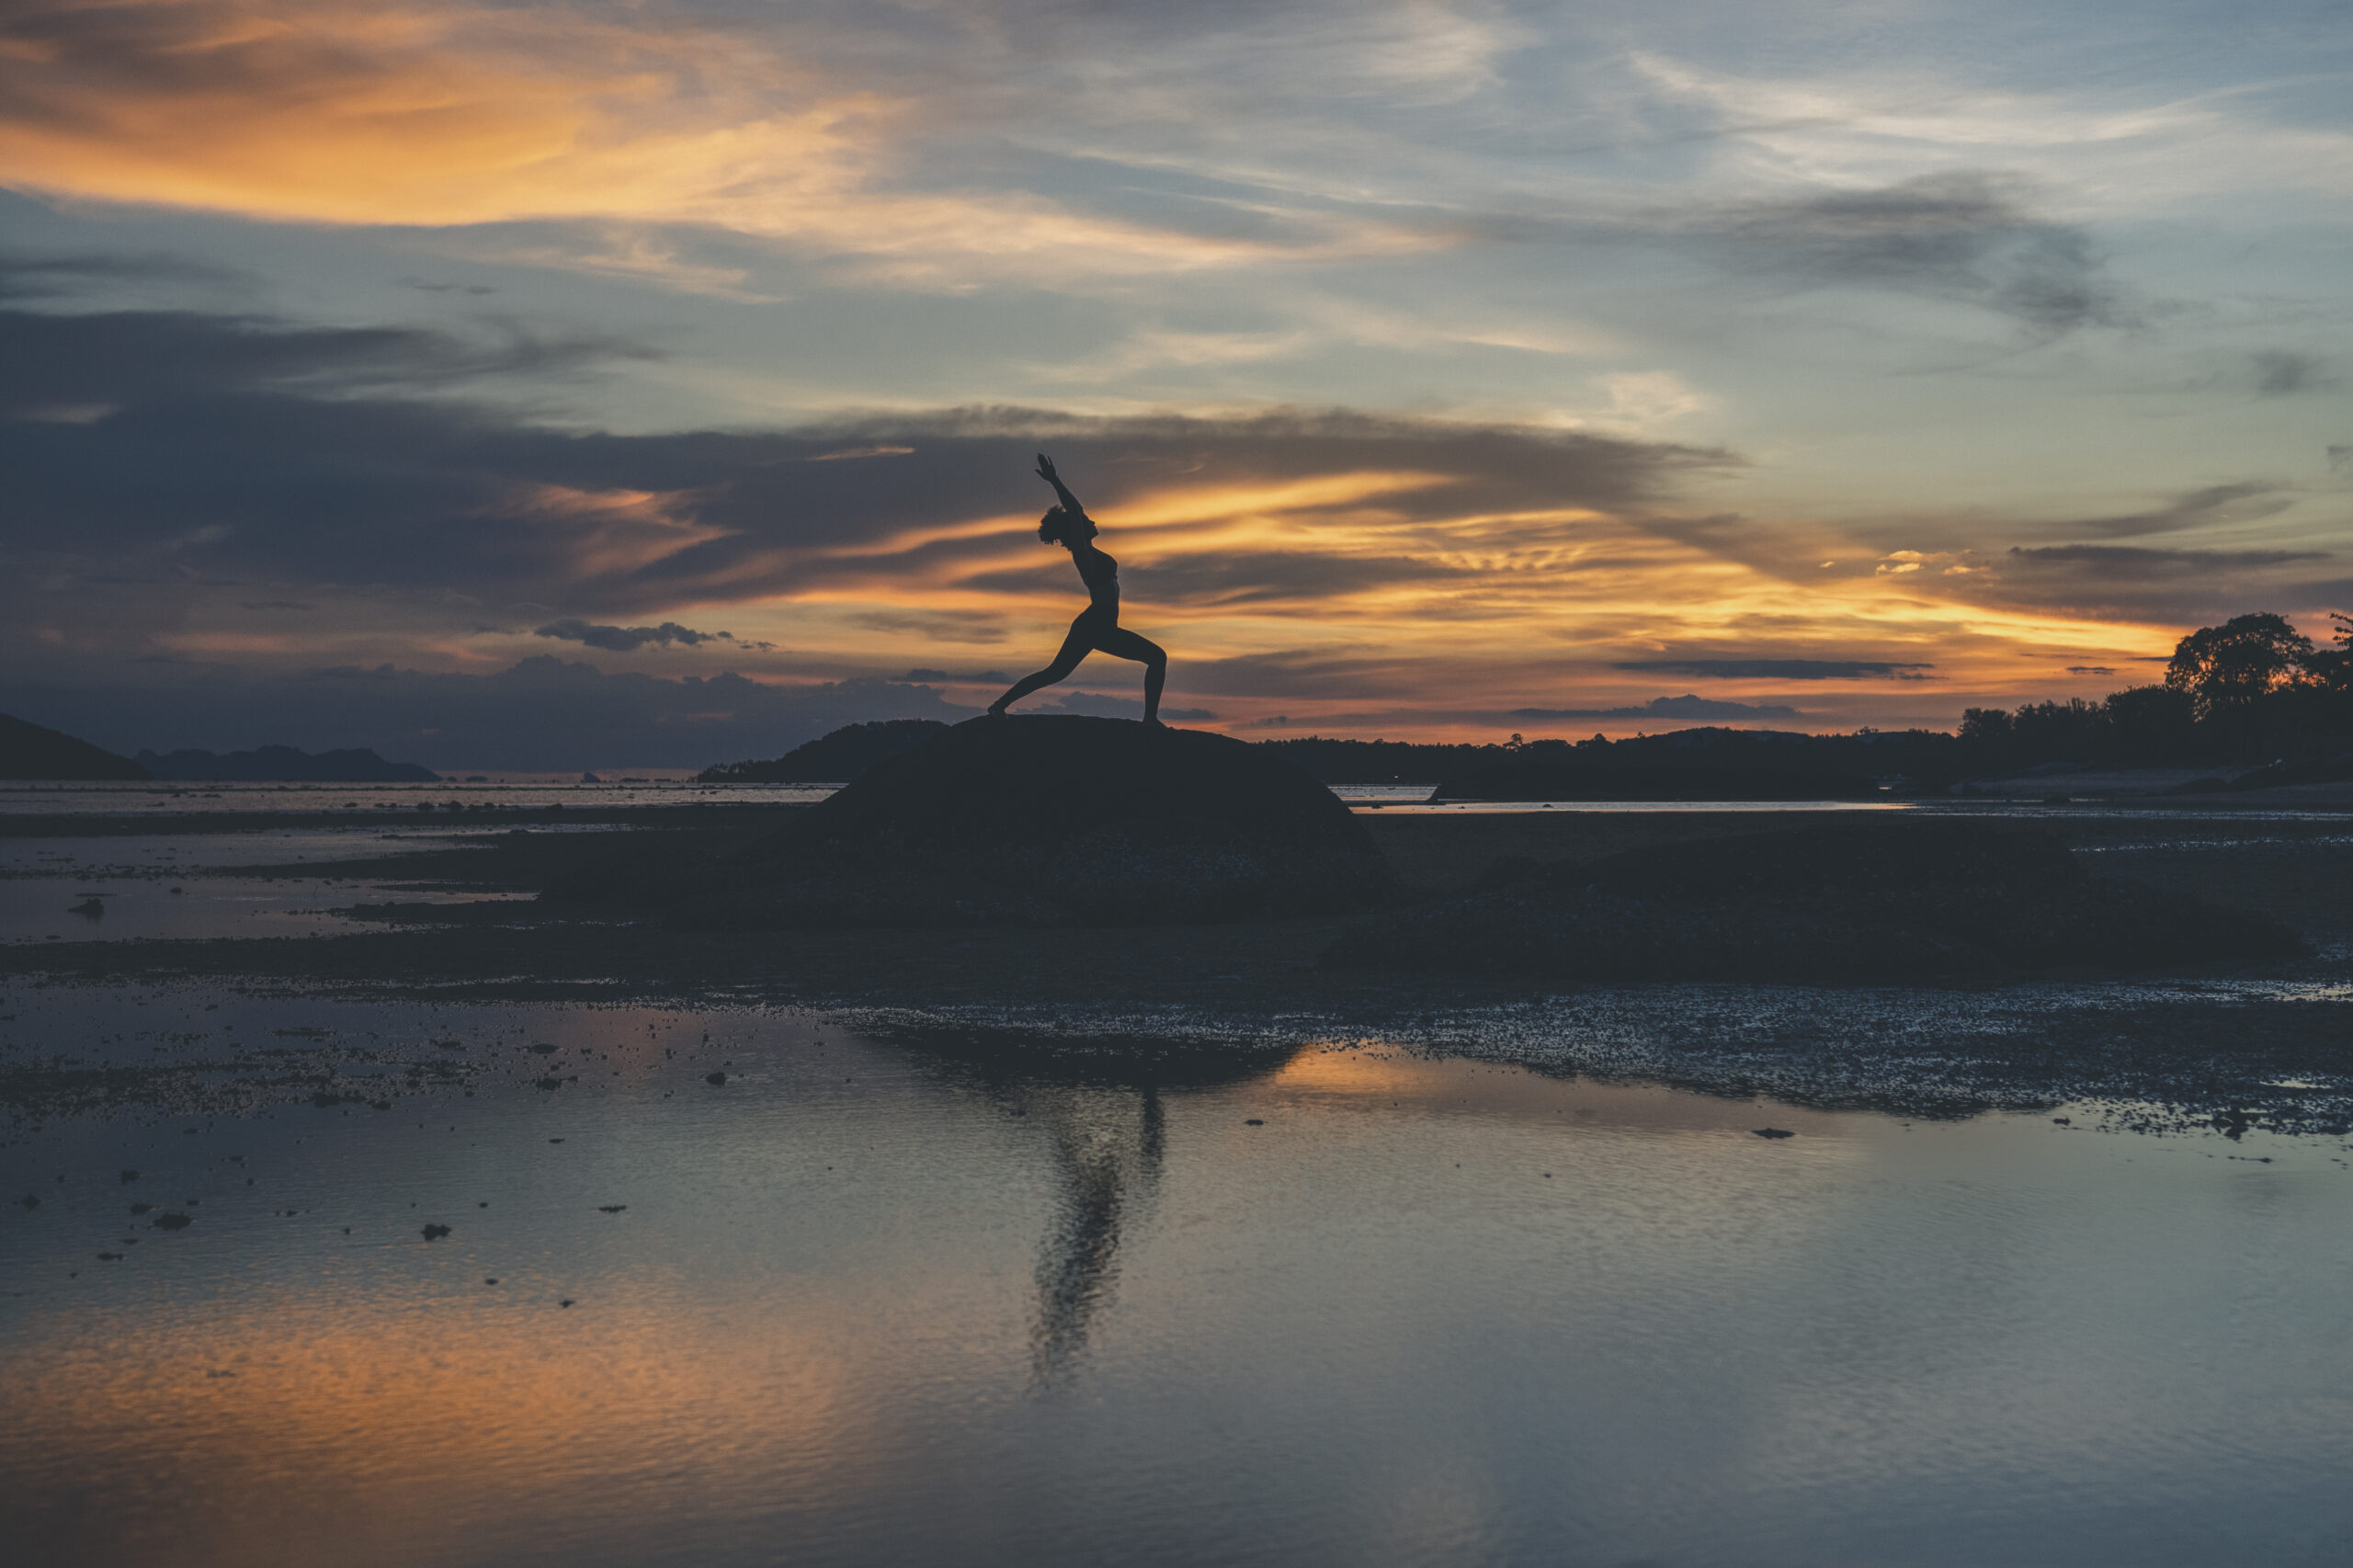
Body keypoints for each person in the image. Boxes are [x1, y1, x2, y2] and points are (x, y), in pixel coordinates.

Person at [987, 453, 1167, 723]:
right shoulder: (1083, 555)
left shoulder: (1090, 551)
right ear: (1077, 531)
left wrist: (1059, 485)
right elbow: (1074, 511)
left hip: (1098, 625)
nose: (1092, 521)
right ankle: (1150, 721)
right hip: (1095, 625)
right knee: (1157, 657)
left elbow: (1077, 512)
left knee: (1054, 673)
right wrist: (1055, 481)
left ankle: (998, 706)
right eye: (1086, 522)